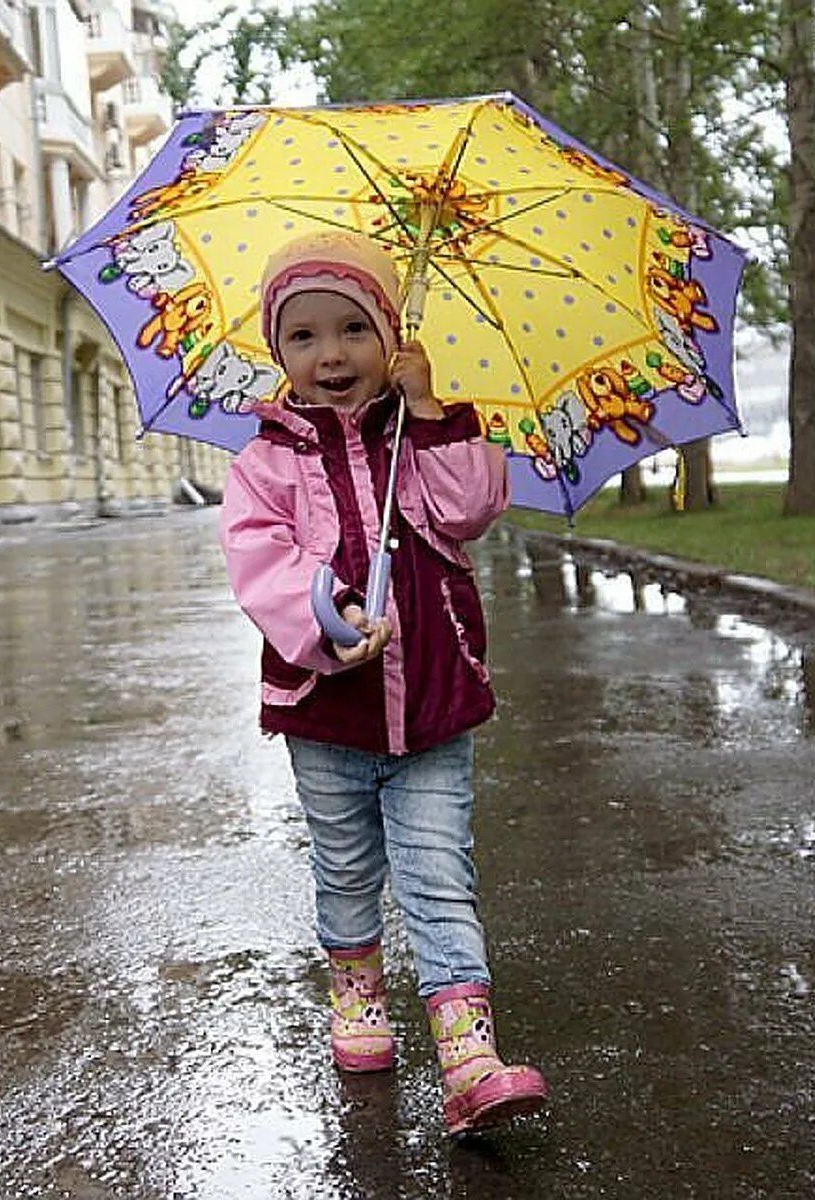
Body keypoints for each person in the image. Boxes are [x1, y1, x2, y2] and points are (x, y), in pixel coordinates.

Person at [219, 229, 547, 1135]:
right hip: (326, 713)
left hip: (433, 709)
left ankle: (468, 1058)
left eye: (355, 330)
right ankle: (358, 993)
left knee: (440, 877)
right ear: (278, 351)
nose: (331, 354)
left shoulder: (427, 432)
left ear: (392, 337)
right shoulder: (266, 462)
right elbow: (259, 561)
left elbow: (473, 506)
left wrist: (433, 408)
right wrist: (325, 622)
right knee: (348, 869)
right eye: (304, 337)